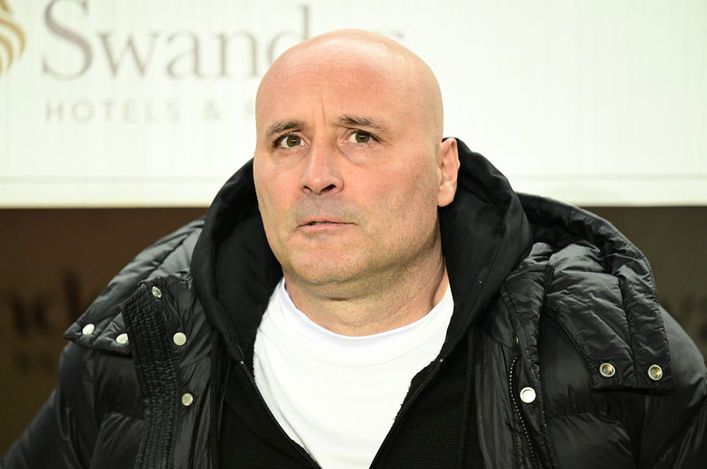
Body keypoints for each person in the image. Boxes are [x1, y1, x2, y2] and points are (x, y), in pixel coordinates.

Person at [2, 29, 705, 469]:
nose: (316, 174)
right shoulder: (138, 344)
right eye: (288, 140)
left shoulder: (610, 346)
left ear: (443, 171)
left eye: (360, 136)